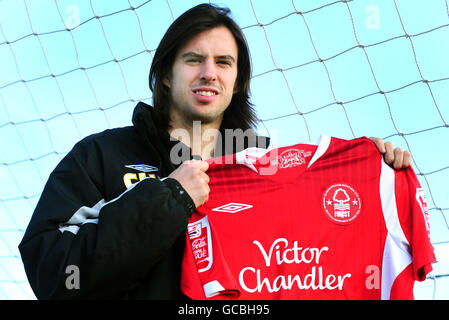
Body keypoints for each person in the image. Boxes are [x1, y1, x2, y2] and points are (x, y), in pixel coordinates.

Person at [18, 4, 411, 299]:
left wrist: (367, 177)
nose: (209, 72)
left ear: (237, 82)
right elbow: (53, 270)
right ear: (166, 75)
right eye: (194, 60)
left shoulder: (270, 176)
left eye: (224, 62)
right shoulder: (100, 156)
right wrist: (169, 199)